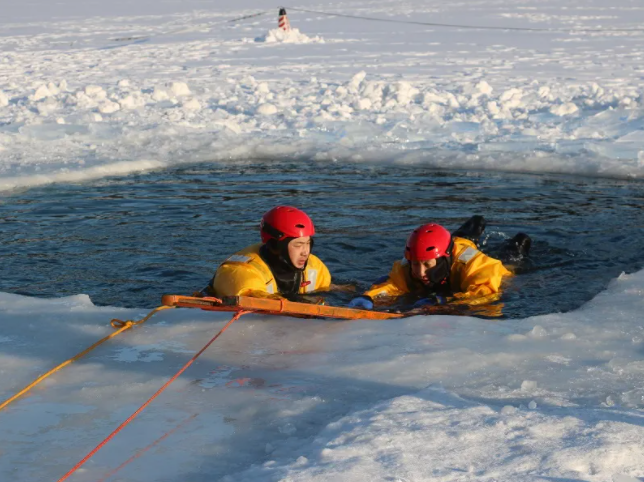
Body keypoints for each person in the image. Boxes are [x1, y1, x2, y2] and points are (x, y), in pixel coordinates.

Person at [349, 217, 530, 310]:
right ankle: (474, 225)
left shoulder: (477, 264)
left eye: (427, 265)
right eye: (415, 264)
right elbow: (391, 285)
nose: (420, 272)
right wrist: (368, 297)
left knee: (511, 260)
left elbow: (484, 294)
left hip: (500, 267)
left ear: (444, 259)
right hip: (451, 245)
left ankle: (519, 241)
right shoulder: (407, 265)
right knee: (460, 239)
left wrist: (442, 301)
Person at [205, 206, 332, 299]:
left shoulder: (315, 267)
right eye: (298, 245)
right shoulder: (241, 273)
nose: (305, 252)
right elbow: (254, 301)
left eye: (308, 243)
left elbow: (327, 289)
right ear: (274, 246)